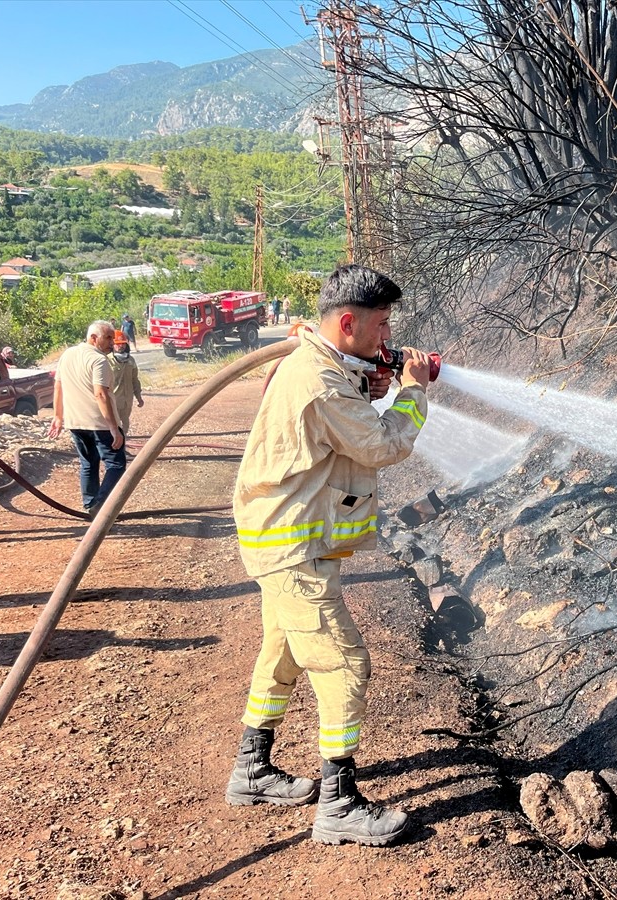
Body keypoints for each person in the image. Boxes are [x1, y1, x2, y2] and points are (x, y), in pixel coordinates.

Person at [226, 265, 432, 848]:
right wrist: (413, 391)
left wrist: (375, 381)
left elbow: (344, 421)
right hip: (292, 547)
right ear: (348, 322)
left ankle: (251, 769)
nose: (388, 338)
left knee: (284, 652)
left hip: (282, 540)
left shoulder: (321, 366)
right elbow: (383, 444)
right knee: (344, 664)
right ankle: (339, 804)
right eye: (383, 325)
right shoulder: (318, 379)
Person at [48, 321, 126, 518]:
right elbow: (100, 394)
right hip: (99, 424)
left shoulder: (67, 355)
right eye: (107, 337)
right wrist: (113, 428)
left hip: (75, 422)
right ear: (93, 338)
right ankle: (100, 506)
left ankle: (90, 505)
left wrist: (58, 417)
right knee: (116, 465)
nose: (112, 342)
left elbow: (58, 386)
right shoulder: (99, 361)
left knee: (88, 463)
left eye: (112, 337)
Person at [108, 331, 144, 434]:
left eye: (123, 343)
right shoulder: (107, 361)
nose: (121, 346)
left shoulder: (131, 360)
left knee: (125, 427)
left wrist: (139, 397)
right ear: (112, 345)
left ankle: (122, 445)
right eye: (118, 344)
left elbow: (135, 380)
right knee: (112, 428)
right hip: (113, 401)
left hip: (127, 401)